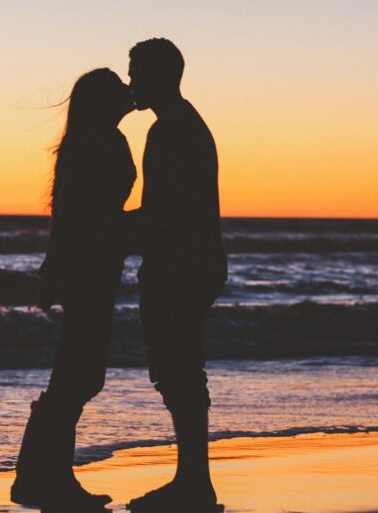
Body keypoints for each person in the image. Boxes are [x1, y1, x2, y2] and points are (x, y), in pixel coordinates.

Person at [11, 68, 136, 511]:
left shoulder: (88, 140)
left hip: (90, 267)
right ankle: (46, 479)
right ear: (104, 100)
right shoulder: (100, 141)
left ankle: (38, 476)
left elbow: (71, 213)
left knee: (76, 373)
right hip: (92, 268)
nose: (129, 91)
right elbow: (88, 216)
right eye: (119, 88)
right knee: (79, 374)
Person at [125, 39, 227, 513]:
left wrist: (107, 230)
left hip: (180, 266)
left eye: (136, 74)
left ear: (160, 76)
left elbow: (163, 211)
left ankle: (194, 484)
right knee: (180, 371)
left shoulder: (171, 131)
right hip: (195, 262)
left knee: (178, 372)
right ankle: (193, 480)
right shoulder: (183, 125)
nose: (131, 84)